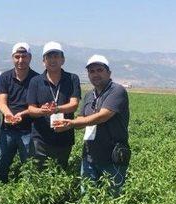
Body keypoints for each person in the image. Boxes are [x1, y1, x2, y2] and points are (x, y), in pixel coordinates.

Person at [53, 55, 131, 195]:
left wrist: (72, 123)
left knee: (112, 200)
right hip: (89, 156)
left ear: (109, 73)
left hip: (112, 158)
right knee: (87, 197)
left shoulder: (117, 91)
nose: (95, 74)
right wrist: (68, 124)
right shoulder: (89, 95)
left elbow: (103, 116)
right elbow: (80, 119)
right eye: (92, 71)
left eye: (99, 70)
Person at [26, 41, 81, 169]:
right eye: (49, 57)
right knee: (38, 173)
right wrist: (42, 111)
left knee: (60, 172)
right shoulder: (36, 81)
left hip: (64, 137)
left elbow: (74, 104)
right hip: (40, 138)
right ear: (43, 61)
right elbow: (31, 109)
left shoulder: (72, 79)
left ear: (63, 60)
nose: (52, 60)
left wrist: (56, 109)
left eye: (56, 56)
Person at [0, 42, 39, 182]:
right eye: (17, 56)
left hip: (29, 130)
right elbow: (2, 102)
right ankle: (0, 190)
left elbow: (37, 106)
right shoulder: (5, 77)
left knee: (28, 166)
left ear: (30, 58)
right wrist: (8, 114)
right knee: (1, 162)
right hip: (7, 129)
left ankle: (26, 194)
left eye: (24, 56)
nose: (21, 60)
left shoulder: (37, 79)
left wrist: (23, 114)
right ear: (12, 58)